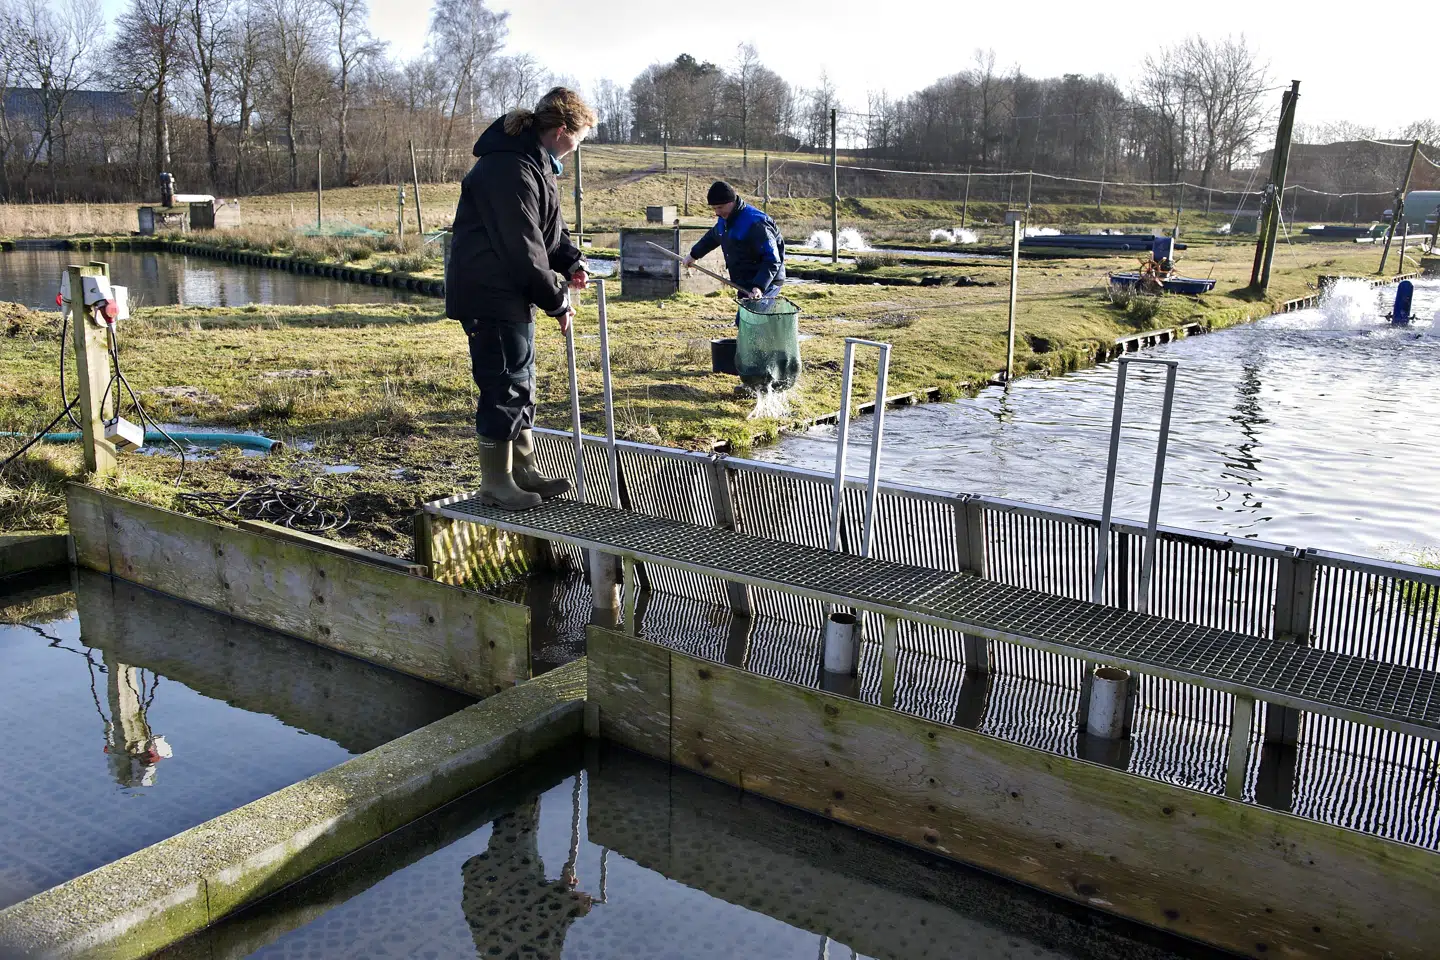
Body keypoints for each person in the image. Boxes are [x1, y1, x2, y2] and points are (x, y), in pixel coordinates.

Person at [447, 87, 596, 510]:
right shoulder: (507, 169)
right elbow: (523, 248)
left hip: (508, 292)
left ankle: (524, 470)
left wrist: (571, 263)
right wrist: (556, 299)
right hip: (489, 293)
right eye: (580, 137)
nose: (579, 147)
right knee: (505, 380)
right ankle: (496, 483)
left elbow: (550, 230)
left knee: (521, 378)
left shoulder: (535, 165)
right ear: (562, 130)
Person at [682, 181, 785, 302]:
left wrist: (759, 286)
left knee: (757, 318)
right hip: (745, 282)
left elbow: (772, 259)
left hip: (766, 283)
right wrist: (693, 255)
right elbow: (712, 237)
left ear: (732, 202)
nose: (717, 212)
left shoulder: (757, 223)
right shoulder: (724, 220)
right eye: (714, 208)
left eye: (720, 207)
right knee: (745, 319)